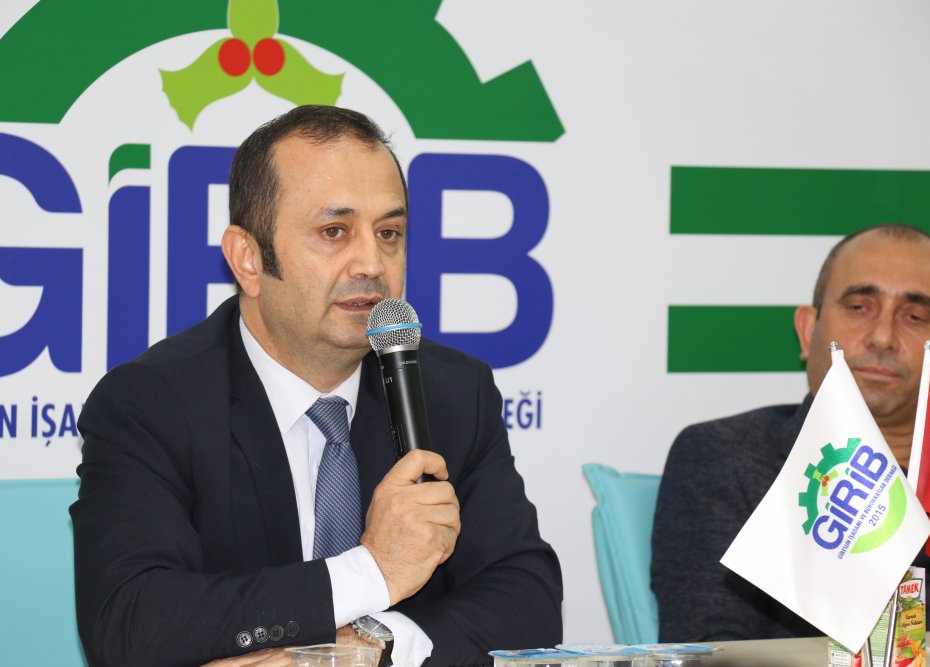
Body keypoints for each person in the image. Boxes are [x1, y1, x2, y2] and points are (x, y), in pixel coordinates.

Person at [70, 105, 563, 667]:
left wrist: (372, 650)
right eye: (334, 232)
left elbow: (528, 600)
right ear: (247, 259)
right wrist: (371, 571)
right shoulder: (150, 403)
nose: (372, 264)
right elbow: (129, 621)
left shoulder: (452, 392)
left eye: (389, 233)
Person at [651, 223, 930, 642]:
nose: (882, 336)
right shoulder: (725, 458)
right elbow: (713, 651)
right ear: (807, 330)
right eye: (859, 307)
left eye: (914, 317)